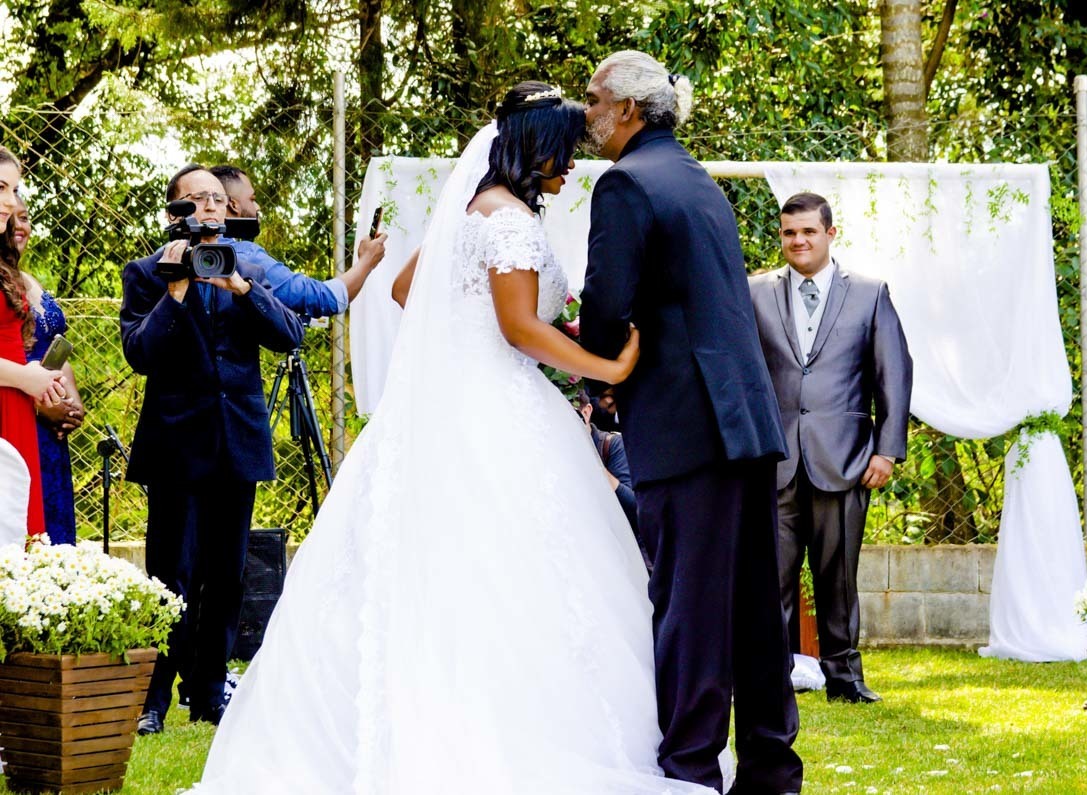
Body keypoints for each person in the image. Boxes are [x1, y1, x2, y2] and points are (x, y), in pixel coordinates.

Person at [188, 82, 718, 794]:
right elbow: (518, 328)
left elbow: (409, 288)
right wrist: (608, 366)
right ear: (537, 148)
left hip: (448, 405)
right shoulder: (511, 221)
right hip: (500, 406)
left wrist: (479, 329)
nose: (570, 167)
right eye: (564, 153)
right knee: (519, 566)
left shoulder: (472, 210)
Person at [579, 51, 805, 795]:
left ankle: (689, 770)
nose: (587, 113)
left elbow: (607, 303)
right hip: (744, 419)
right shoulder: (698, 179)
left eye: (594, 99)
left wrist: (600, 379)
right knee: (754, 607)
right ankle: (771, 768)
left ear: (629, 109)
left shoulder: (624, 183)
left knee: (689, 604)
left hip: (684, 423)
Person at [122, 164, 305, 735]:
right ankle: (154, 697)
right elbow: (140, 353)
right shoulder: (147, 272)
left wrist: (241, 290)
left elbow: (290, 335)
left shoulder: (248, 267)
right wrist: (175, 292)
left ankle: (207, 692)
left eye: (217, 199)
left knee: (226, 575)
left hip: (236, 439)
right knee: (169, 574)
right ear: (174, 211)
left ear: (229, 211)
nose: (209, 206)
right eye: (196, 198)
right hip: (176, 443)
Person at [748, 192, 913, 705]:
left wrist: (887, 450)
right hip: (773, 460)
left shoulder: (869, 293)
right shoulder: (753, 292)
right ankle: (770, 680)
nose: (798, 241)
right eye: (789, 233)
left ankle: (844, 678)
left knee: (837, 577)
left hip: (845, 461)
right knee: (769, 577)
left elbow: (893, 374)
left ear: (830, 233)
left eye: (808, 232)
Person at [211, 164, 388, 318]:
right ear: (233, 204)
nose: (257, 207)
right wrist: (366, 261)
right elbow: (323, 299)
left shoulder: (199, 250)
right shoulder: (245, 255)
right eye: (252, 199)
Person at [0, 148, 66, 537]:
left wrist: (34, 375)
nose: (11, 202)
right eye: (1, 188)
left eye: (14, 190)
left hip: (15, 407)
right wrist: (25, 378)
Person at [14, 194, 85, 544]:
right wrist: (40, 405)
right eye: (10, 217)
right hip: (16, 420)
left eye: (25, 218)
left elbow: (55, 347)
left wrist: (71, 403)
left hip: (50, 435)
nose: (19, 226)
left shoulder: (29, 280)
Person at [573, 384, 647, 568]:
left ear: (586, 411)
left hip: (620, 552)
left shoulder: (612, 445)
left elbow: (636, 509)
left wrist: (597, 468)